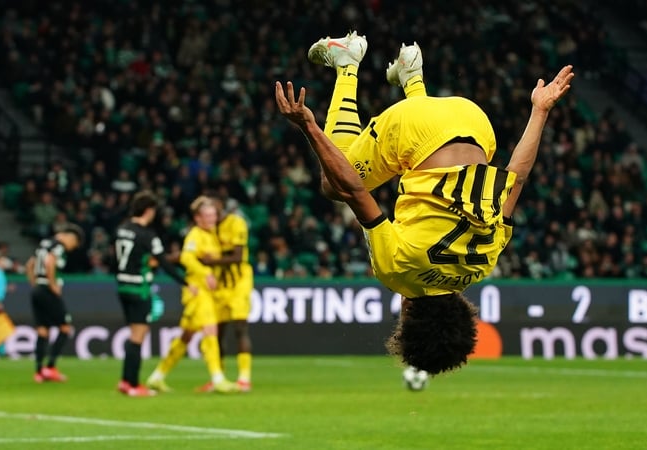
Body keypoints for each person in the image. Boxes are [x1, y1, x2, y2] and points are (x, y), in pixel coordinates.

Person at [276, 31, 573, 374]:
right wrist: (308, 127)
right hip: (417, 129)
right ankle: (347, 62)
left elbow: (516, 178)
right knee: (331, 184)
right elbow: (353, 191)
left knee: (415, 167)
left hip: (475, 123)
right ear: (407, 317)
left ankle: (412, 74)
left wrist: (539, 111)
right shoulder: (398, 272)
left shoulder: (483, 263)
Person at [146, 196, 238, 393]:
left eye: (213, 214)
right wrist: (205, 274)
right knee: (210, 330)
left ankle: (157, 376)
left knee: (186, 337)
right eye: (207, 215)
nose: (212, 218)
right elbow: (186, 257)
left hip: (207, 293)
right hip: (198, 292)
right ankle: (217, 378)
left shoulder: (213, 235)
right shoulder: (195, 235)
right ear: (198, 218)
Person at [114, 190, 194, 397]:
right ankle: (132, 384)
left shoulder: (122, 229)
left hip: (122, 285)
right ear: (149, 211)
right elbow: (164, 264)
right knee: (138, 337)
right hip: (139, 287)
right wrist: (185, 283)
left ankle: (125, 381)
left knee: (133, 334)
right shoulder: (147, 235)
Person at [197, 197, 254, 393]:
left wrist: (211, 261)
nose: (210, 215)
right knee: (217, 332)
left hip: (239, 283)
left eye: (212, 210)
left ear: (219, 207)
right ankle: (218, 377)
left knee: (240, 327)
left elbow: (237, 256)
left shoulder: (236, 223)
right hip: (219, 285)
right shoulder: (208, 229)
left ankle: (244, 378)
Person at [25, 224, 84, 383]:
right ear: (70, 237)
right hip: (47, 289)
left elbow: (30, 264)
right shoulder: (58, 246)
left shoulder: (44, 244)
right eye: (74, 244)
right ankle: (50, 367)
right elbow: (50, 262)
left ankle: (39, 371)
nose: (72, 248)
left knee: (43, 330)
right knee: (65, 328)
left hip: (37, 289)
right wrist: (53, 285)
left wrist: (34, 284)